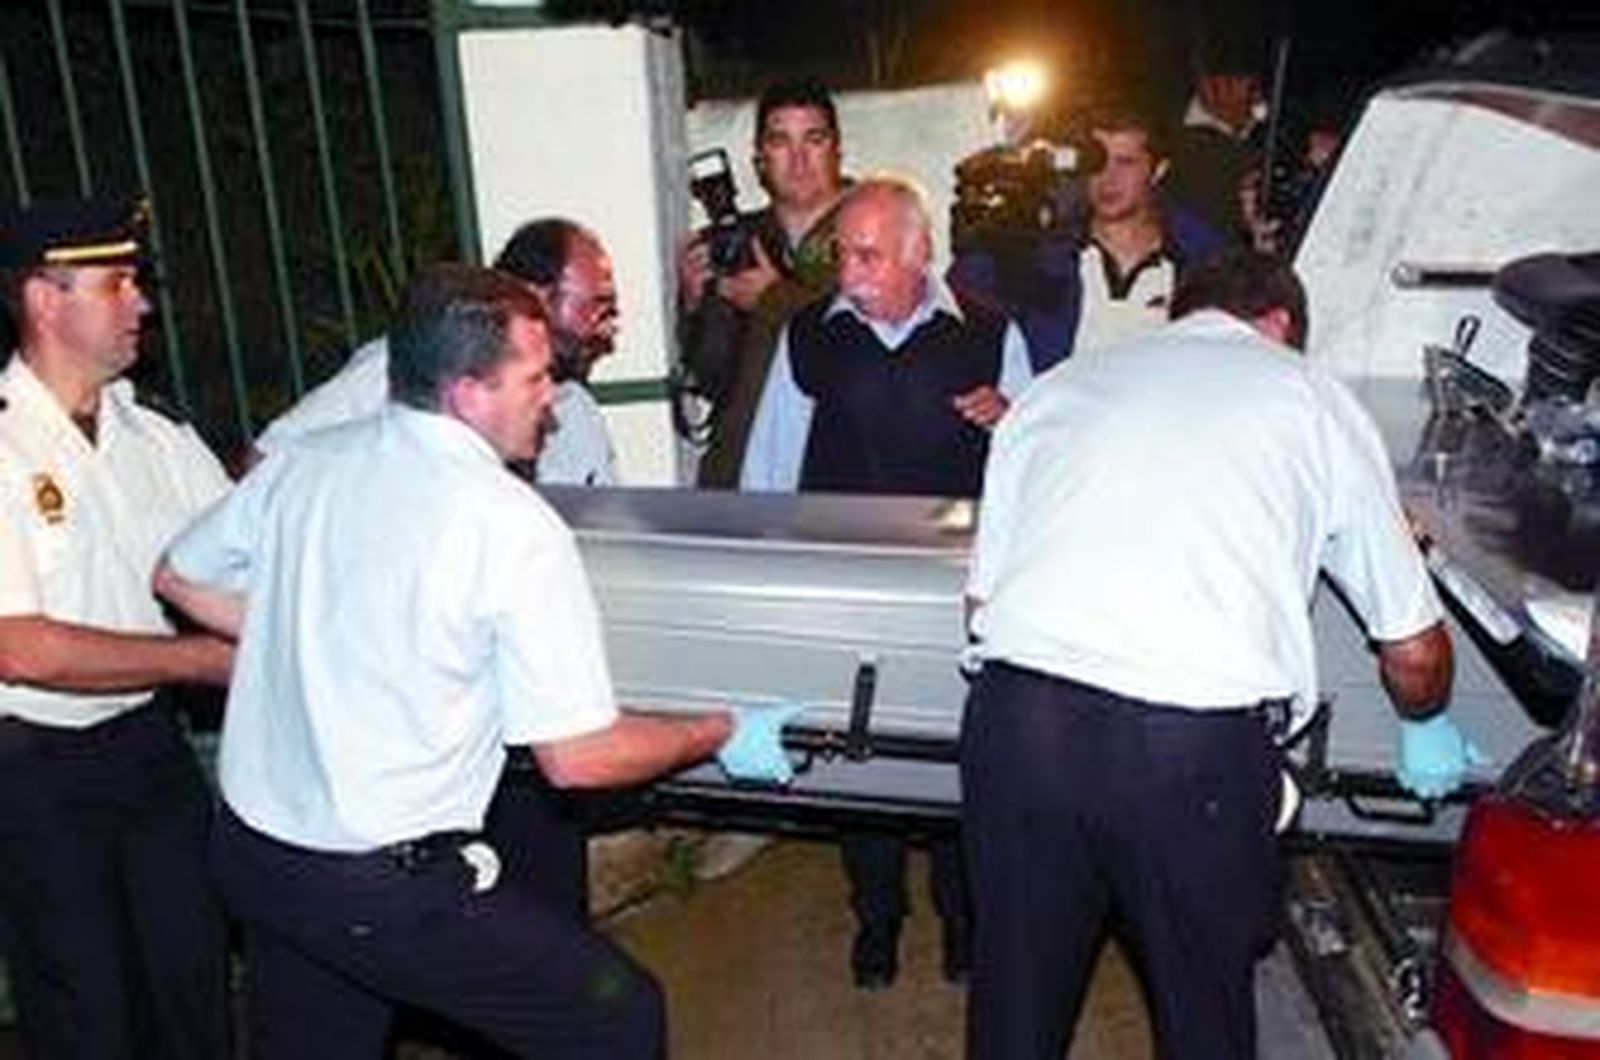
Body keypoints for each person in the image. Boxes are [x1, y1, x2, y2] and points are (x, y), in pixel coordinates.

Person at [154, 263, 796, 1059]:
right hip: (381, 887)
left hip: (258, 858)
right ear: (466, 391)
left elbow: (178, 573)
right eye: (533, 377)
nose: (551, 395)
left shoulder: (307, 461)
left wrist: (309, 632)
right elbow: (580, 758)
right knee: (616, 1017)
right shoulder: (509, 524)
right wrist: (718, 731)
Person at [961, 249, 1480, 1059]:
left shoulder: (1058, 389)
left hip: (1018, 728)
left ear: (1182, 315)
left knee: (1015, 1014)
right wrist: (1429, 718)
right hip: (1187, 753)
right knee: (1203, 1013)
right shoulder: (1309, 394)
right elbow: (1414, 651)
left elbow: (981, 605)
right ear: (1281, 326)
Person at [743, 176, 1032, 990]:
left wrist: (1013, 419)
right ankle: (877, 918)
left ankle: (963, 920)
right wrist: (776, 583)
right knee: (857, 758)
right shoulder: (809, 336)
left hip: (959, 591)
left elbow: (1040, 465)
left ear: (919, 253)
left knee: (956, 755)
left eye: (869, 256)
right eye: (842, 255)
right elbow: (770, 469)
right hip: (848, 590)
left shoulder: (990, 333)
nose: (849, 274)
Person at [0, 196, 234, 1060]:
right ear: (44, 300)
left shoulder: (156, 434)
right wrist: (201, 660)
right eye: (117, 282)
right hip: (33, 770)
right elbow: (19, 645)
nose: (141, 301)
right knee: (89, 1010)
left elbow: (245, 560)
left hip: (146, 747)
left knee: (193, 985)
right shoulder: (6, 450)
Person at [257, 217, 620, 488]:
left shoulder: (574, 410)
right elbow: (265, 462)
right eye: (597, 306)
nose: (609, 326)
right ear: (535, 294)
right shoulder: (403, 364)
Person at [949, 101, 1224, 372]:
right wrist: (986, 226)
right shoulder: (1049, 251)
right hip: (1059, 412)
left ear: (1159, 170)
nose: (1108, 177)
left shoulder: (1200, 259)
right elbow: (965, 292)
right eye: (1097, 161)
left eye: (1125, 163)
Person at [679, 77, 847, 488]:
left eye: (813, 139)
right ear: (759, 160)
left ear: (837, 150)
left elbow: (862, 346)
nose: (798, 158)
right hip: (745, 471)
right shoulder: (739, 240)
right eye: (780, 142)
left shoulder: (872, 229)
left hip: (838, 468)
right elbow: (712, 376)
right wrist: (694, 304)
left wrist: (772, 298)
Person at [1167, 50, 1265, 239]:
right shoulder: (1177, 143)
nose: (1257, 99)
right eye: (1250, 88)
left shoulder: (1264, 131)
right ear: (1211, 86)